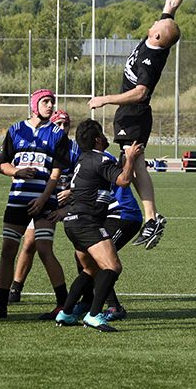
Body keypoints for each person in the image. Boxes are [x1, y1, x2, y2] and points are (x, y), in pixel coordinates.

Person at [88, 0, 196, 249]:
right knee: (130, 160)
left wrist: (106, 99)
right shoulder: (155, 36)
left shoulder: (151, 59)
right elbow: (172, 3)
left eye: (157, 23)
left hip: (135, 112)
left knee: (134, 159)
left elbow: (141, 91)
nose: (158, 18)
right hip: (129, 114)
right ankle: (143, 215)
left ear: (157, 34)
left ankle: (151, 217)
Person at [54, 119, 142, 332]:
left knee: (89, 269)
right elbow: (123, 180)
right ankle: (94, 315)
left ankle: (65, 313)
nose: (105, 137)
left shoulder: (83, 160)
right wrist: (130, 158)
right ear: (97, 139)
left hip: (73, 223)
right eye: (101, 134)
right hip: (87, 222)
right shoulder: (101, 158)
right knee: (112, 267)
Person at [0, 89, 70, 321]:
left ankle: (63, 304)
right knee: (7, 250)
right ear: (34, 104)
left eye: (52, 102)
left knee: (44, 249)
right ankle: (1, 305)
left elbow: (56, 174)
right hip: (17, 199)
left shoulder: (57, 133)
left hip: (44, 201)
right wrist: (17, 171)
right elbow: (2, 164)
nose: (50, 106)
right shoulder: (15, 130)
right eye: (45, 101)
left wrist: (44, 199)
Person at [9, 109, 79, 305]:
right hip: (41, 201)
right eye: (59, 124)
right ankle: (15, 288)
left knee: (81, 247)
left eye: (66, 124)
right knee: (30, 243)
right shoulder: (41, 143)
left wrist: (71, 192)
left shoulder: (74, 149)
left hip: (68, 203)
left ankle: (84, 293)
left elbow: (85, 177)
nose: (63, 128)